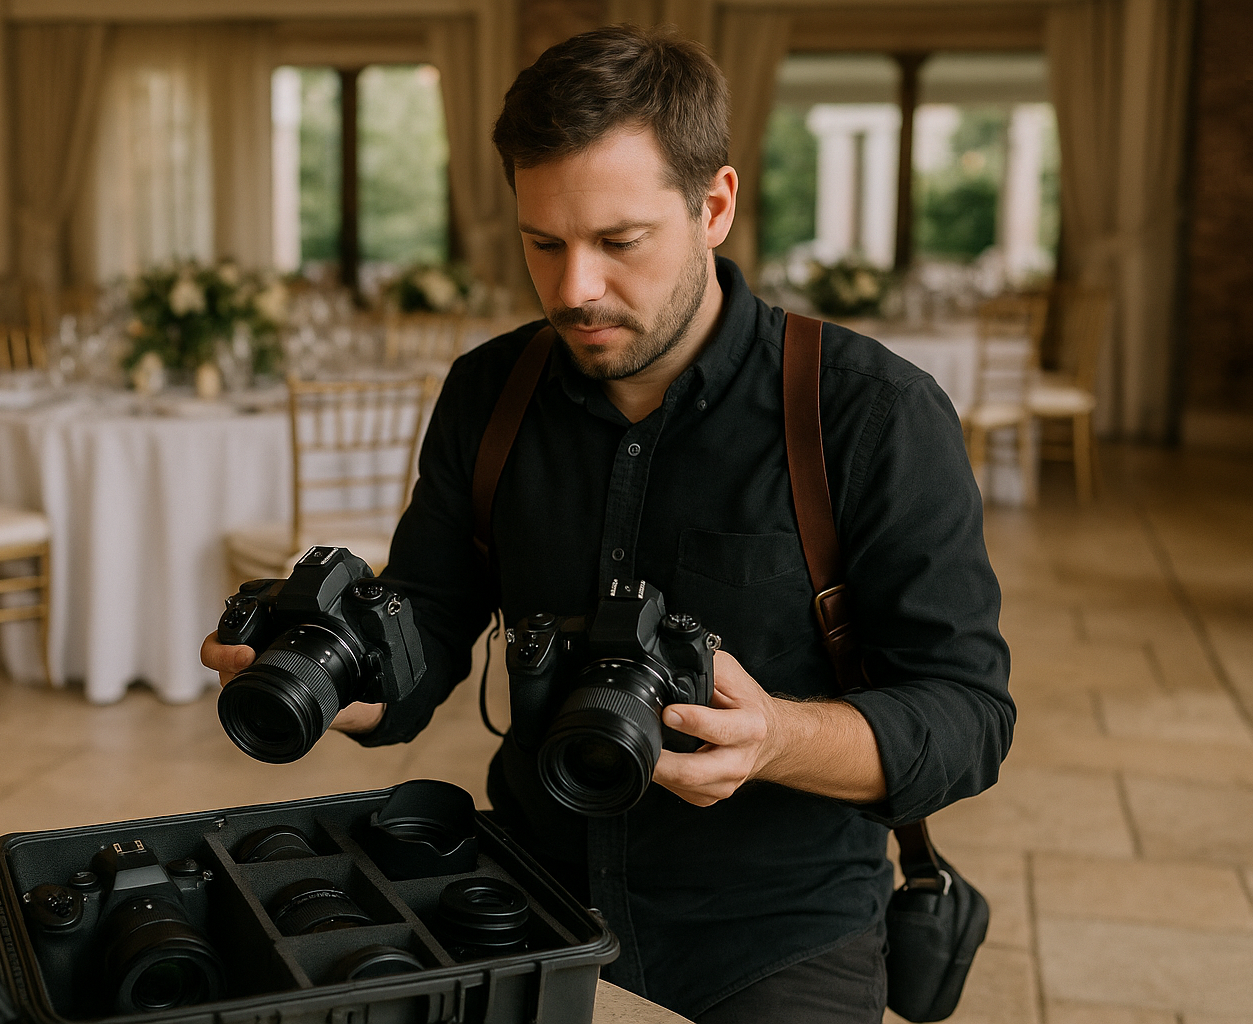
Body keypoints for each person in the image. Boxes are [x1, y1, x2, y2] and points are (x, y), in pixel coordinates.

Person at [205, 24, 1012, 1023]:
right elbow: (430, 619)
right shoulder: (489, 392)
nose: (575, 289)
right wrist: (343, 680)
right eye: (543, 244)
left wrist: (777, 739)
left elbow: (970, 716)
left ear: (713, 205)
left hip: (774, 931)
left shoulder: (869, 414)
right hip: (525, 901)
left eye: (619, 243)